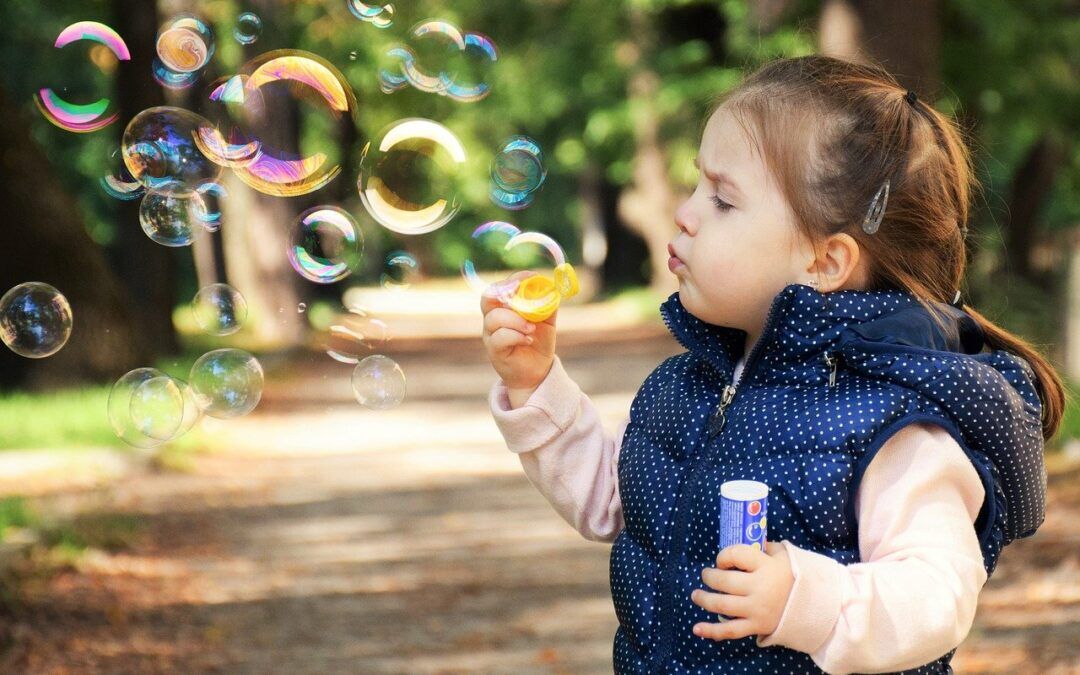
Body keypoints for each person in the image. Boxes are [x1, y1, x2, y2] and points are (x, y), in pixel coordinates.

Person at [481, 54, 1063, 674]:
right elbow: (613, 499)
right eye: (697, 185)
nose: (686, 212)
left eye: (724, 201)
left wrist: (806, 598)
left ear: (825, 262)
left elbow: (936, 594)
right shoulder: (688, 385)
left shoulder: (891, 422)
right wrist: (536, 384)